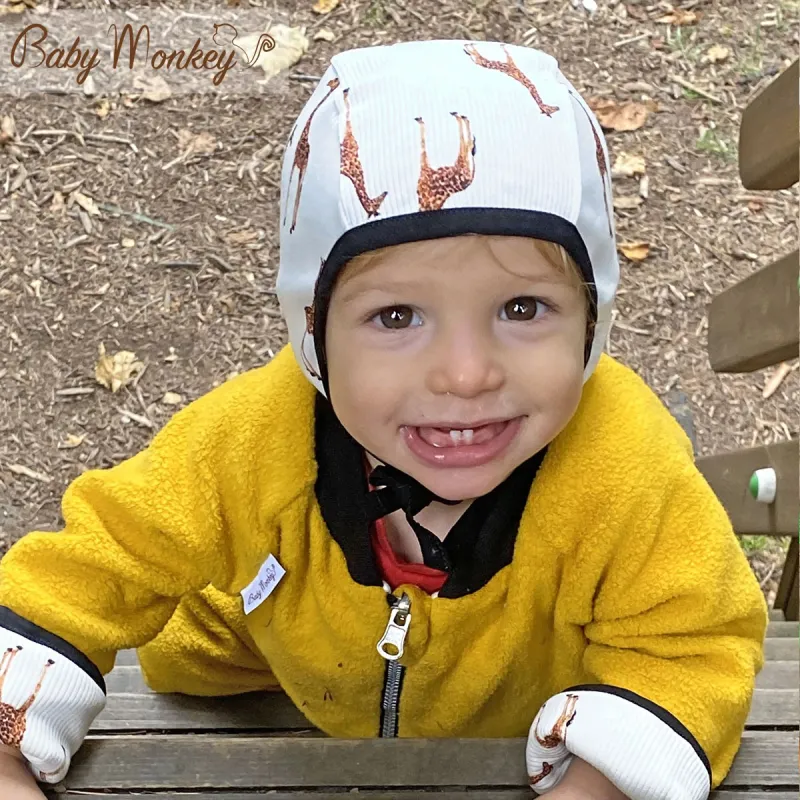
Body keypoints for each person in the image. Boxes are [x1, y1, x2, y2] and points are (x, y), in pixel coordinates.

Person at [0, 39, 767, 800]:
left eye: (523, 308)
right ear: (313, 331)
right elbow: (82, 569)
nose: (466, 374)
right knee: (187, 656)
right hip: (250, 684)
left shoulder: (627, 465)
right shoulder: (248, 441)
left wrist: (601, 782)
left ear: (593, 320)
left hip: (505, 729)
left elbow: (694, 645)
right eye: (397, 315)